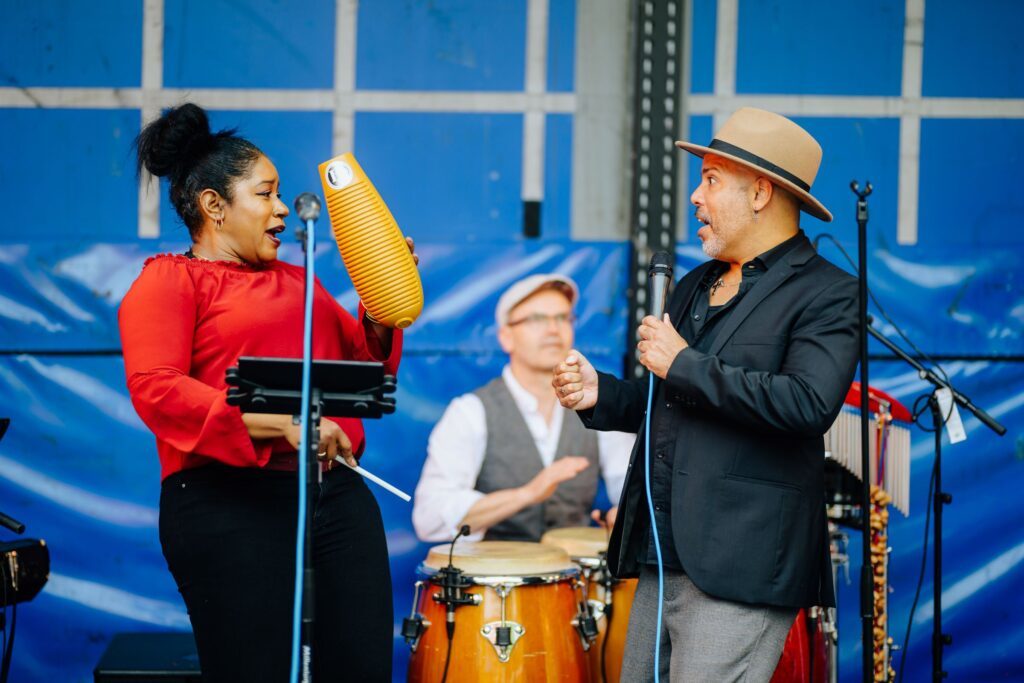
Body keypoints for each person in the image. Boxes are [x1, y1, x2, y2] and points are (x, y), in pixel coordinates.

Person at [552, 107, 860, 681]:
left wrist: (683, 363)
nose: (695, 196)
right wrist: (602, 395)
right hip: (662, 553)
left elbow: (807, 404)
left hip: (742, 560)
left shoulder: (827, 293)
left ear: (761, 193)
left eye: (711, 180)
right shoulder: (695, 283)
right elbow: (671, 400)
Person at [119, 103, 414, 682]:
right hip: (227, 503)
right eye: (265, 193)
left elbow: (362, 368)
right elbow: (157, 388)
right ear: (214, 206)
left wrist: (384, 298)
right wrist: (282, 422)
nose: (281, 208)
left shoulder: (299, 283)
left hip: (333, 498)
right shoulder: (169, 281)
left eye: (280, 195)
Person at [412, 274, 634, 542]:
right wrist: (526, 494)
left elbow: (632, 489)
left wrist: (625, 516)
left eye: (563, 318)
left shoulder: (595, 405)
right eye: (537, 319)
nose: (553, 329)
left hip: (575, 569)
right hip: (494, 568)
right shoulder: (471, 412)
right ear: (506, 337)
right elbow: (428, 518)